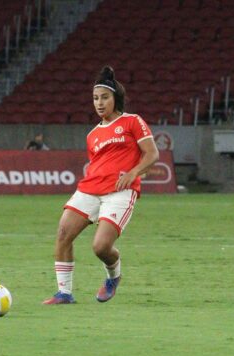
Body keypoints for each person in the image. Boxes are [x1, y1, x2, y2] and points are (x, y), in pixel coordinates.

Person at [42, 66, 160, 304]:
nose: (99, 103)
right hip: (89, 190)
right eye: (95, 98)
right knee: (63, 234)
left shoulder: (132, 122)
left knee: (101, 247)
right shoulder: (92, 134)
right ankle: (64, 293)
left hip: (120, 191)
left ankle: (113, 276)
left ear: (115, 97)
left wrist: (134, 173)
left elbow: (152, 154)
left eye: (104, 97)